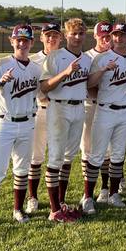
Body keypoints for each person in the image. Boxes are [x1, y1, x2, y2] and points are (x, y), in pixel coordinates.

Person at [0, 24, 45, 232]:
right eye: (19, 39)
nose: (22, 43)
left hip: (27, 123)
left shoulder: (36, 68)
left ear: (32, 43)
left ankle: (18, 209)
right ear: (12, 41)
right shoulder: (1, 63)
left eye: (26, 40)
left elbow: (42, 93)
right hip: (4, 123)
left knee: (22, 170)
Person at [85, 23, 126, 208]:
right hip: (105, 110)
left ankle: (114, 194)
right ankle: (87, 197)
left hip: (125, 111)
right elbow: (89, 84)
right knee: (97, 156)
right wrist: (103, 70)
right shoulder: (102, 58)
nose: (118, 38)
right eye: (115, 35)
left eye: (122, 35)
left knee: (118, 155)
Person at [40, 18, 91, 215]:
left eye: (81, 34)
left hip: (79, 107)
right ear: (66, 35)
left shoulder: (87, 59)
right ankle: (54, 211)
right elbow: (44, 87)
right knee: (55, 158)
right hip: (59, 108)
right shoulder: (55, 57)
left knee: (69, 157)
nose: (77, 37)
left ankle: (60, 202)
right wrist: (66, 72)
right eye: (73, 33)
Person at [26, 22, 62, 215]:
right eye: (47, 35)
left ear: (60, 37)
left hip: (61, 111)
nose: (51, 38)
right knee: (36, 157)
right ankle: (32, 197)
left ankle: (59, 198)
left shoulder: (65, 58)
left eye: (55, 35)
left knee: (60, 157)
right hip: (41, 110)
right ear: (41, 38)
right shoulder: (33, 60)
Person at [80, 21, 113, 203]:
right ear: (95, 36)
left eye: (109, 36)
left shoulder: (115, 56)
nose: (105, 39)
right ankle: (87, 191)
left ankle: (105, 188)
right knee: (87, 148)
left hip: (108, 106)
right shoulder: (87, 57)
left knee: (107, 150)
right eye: (102, 36)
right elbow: (87, 85)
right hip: (90, 104)